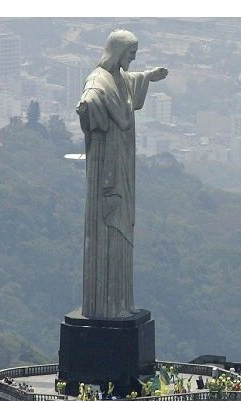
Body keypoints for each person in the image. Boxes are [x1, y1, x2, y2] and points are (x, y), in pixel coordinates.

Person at [77, 29, 168, 318]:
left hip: (122, 158)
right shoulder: (98, 79)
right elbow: (91, 96)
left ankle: (120, 303)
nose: (133, 58)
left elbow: (128, 81)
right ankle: (104, 306)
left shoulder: (118, 77)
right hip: (107, 163)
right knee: (107, 229)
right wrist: (87, 105)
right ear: (117, 52)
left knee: (122, 228)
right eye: (130, 53)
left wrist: (149, 75)